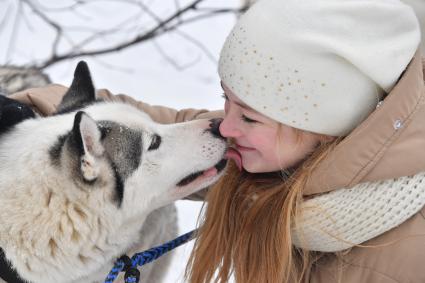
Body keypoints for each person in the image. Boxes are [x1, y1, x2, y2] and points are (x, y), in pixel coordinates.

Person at [5, 0, 425, 282]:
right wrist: (28, 115)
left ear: (322, 126)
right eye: (227, 100)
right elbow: (141, 125)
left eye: (249, 115)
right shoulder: (282, 149)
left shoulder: (407, 253)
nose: (224, 128)